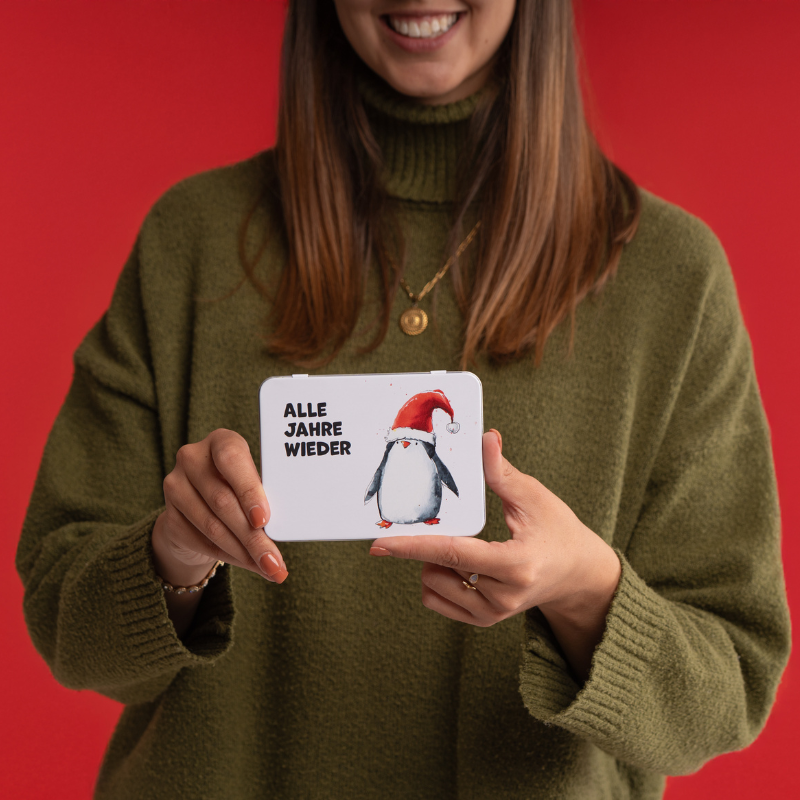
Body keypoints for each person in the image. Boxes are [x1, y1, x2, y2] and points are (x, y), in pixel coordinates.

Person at [16, 1, 790, 798]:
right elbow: (68, 631)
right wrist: (172, 559)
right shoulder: (192, 241)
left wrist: (587, 592)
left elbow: (728, 692)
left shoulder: (672, 277)